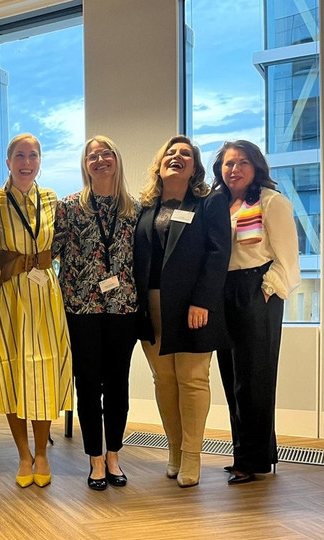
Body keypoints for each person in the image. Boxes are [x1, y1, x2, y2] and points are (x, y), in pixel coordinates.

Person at [135, 135, 231, 488]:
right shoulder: (145, 208)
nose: (177, 157)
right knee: (165, 381)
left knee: (192, 380)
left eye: (185, 154)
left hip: (193, 306)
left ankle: (193, 455)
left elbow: (219, 254)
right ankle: (174, 450)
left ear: (195, 168)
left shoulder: (209, 203)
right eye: (170, 153)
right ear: (160, 164)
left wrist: (203, 301)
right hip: (152, 305)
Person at [0, 134, 72, 488]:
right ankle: (23, 454)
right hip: (9, 294)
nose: (26, 161)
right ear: (8, 162)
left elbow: (66, 243)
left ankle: (42, 452)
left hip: (46, 294)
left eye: (33, 155)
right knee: (11, 370)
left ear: (40, 161)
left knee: (46, 372)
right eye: (20, 155)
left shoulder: (51, 199)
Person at [211, 140, 300, 485]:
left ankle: (251, 461)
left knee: (254, 379)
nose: (234, 169)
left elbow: (289, 259)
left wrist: (265, 291)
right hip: (224, 292)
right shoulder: (220, 205)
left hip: (255, 290)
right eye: (229, 163)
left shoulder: (271, 202)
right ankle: (249, 452)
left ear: (256, 166)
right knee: (233, 378)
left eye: (242, 162)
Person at [53, 136, 139, 491]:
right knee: (87, 385)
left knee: (118, 384)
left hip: (124, 308)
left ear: (116, 160)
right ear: (85, 164)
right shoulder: (69, 206)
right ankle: (95, 459)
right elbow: (49, 250)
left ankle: (115, 453)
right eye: (93, 156)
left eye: (106, 154)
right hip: (80, 308)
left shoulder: (135, 209)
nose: (100, 160)